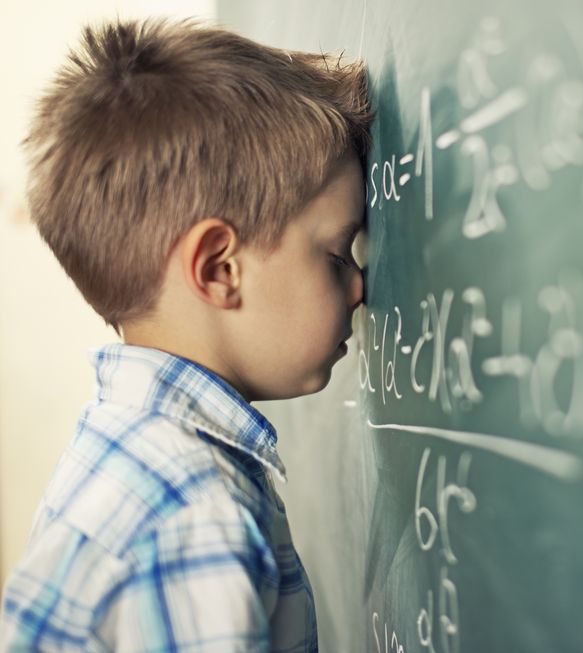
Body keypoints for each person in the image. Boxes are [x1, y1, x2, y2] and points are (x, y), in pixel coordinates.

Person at [0, 17, 373, 651]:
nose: (362, 287)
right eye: (338, 254)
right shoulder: (193, 516)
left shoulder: (125, 446)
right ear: (219, 269)